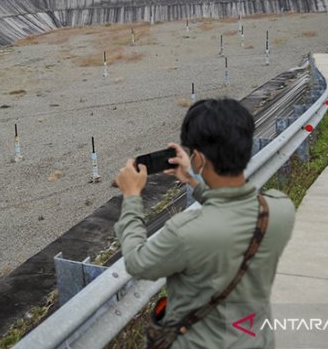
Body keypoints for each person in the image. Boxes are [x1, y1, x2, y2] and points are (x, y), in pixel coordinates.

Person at [114, 98, 295, 348]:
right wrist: (191, 180)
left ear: (197, 158)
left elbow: (137, 263)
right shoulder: (280, 209)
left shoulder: (187, 233)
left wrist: (132, 197)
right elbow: (231, 208)